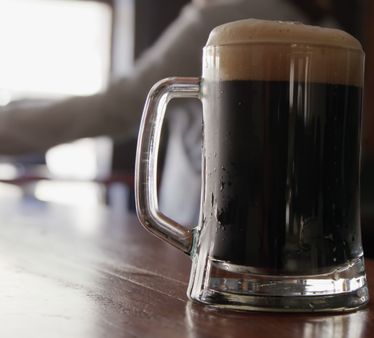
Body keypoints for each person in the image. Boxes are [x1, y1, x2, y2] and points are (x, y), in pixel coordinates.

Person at [0, 0, 336, 224]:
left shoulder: (220, 17)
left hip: (197, 229)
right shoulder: (329, 32)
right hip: (293, 226)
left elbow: (118, 106)